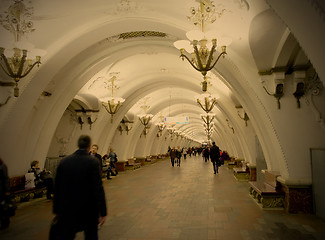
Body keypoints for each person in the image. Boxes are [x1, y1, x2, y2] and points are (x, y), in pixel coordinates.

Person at [53, 135, 107, 239]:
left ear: (77, 145)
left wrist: (56, 210)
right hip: (89, 209)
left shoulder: (64, 162)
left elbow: (57, 188)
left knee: (67, 236)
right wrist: (103, 211)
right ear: (89, 146)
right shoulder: (93, 162)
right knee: (91, 235)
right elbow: (98, 189)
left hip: (67, 209)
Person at [0, 157, 11, 229]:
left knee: (2, 207)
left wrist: (7, 190)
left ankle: (5, 221)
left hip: (1, 190)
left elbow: (6, 179)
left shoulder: (3, 166)